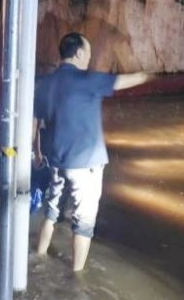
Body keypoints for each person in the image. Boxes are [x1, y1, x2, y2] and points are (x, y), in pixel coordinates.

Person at [33, 32, 152, 271]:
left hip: (55, 160)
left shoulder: (44, 84)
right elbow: (121, 81)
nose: (89, 57)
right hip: (85, 165)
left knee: (51, 210)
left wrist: (37, 154)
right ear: (78, 53)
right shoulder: (87, 80)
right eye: (88, 52)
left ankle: (40, 255)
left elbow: (35, 123)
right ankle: (76, 278)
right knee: (84, 222)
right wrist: (146, 76)